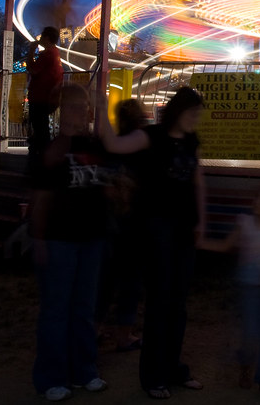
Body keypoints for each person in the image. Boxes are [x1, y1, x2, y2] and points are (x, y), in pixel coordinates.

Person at [98, 86, 207, 400]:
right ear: (179, 111)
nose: (196, 119)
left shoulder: (190, 141)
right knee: (160, 302)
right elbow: (113, 144)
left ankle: (173, 369)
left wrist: (201, 220)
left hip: (184, 230)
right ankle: (153, 376)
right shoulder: (152, 137)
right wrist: (101, 109)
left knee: (178, 304)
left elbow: (197, 179)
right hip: (158, 230)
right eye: (193, 113)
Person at [29, 84, 110, 401]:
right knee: (57, 309)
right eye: (77, 106)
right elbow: (41, 197)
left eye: (86, 106)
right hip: (61, 238)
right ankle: (52, 376)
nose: (83, 111)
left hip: (91, 236)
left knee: (84, 308)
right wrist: (38, 236)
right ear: (63, 109)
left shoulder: (94, 145)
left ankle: (83, 370)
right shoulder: (52, 149)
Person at [199, 183, 260, 398]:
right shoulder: (245, 223)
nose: (257, 201)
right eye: (257, 196)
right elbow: (225, 246)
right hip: (249, 287)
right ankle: (245, 365)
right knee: (250, 334)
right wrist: (200, 242)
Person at [95, 98, 147, 352]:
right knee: (130, 282)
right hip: (133, 224)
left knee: (105, 281)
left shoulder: (109, 147)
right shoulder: (142, 146)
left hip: (111, 222)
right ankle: (124, 334)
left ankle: (96, 327)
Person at [26, 26, 64, 171]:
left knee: (40, 131)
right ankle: (38, 160)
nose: (39, 38)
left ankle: (42, 162)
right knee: (41, 130)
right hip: (48, 97)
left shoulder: (47, 54)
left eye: (42, 36)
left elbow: (33, 69)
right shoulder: (56, 54)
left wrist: (30, 51)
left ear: (47, 38)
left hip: (40, 97)